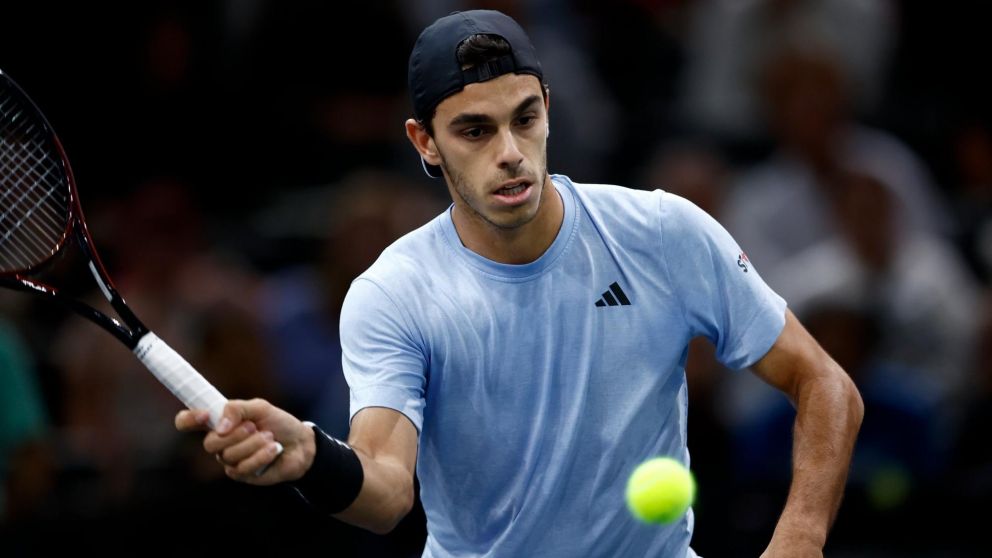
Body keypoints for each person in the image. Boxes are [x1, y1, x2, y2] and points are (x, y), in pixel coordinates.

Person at [175, 10, 863, 557]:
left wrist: (799, 538)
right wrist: (307, 454)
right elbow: (385, 494)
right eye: (475, 131)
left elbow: (825, 383)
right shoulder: (395, 293)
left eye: (524, 118)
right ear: (424, 142)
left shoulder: (661, 231)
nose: (510, 153)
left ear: (548, 110)